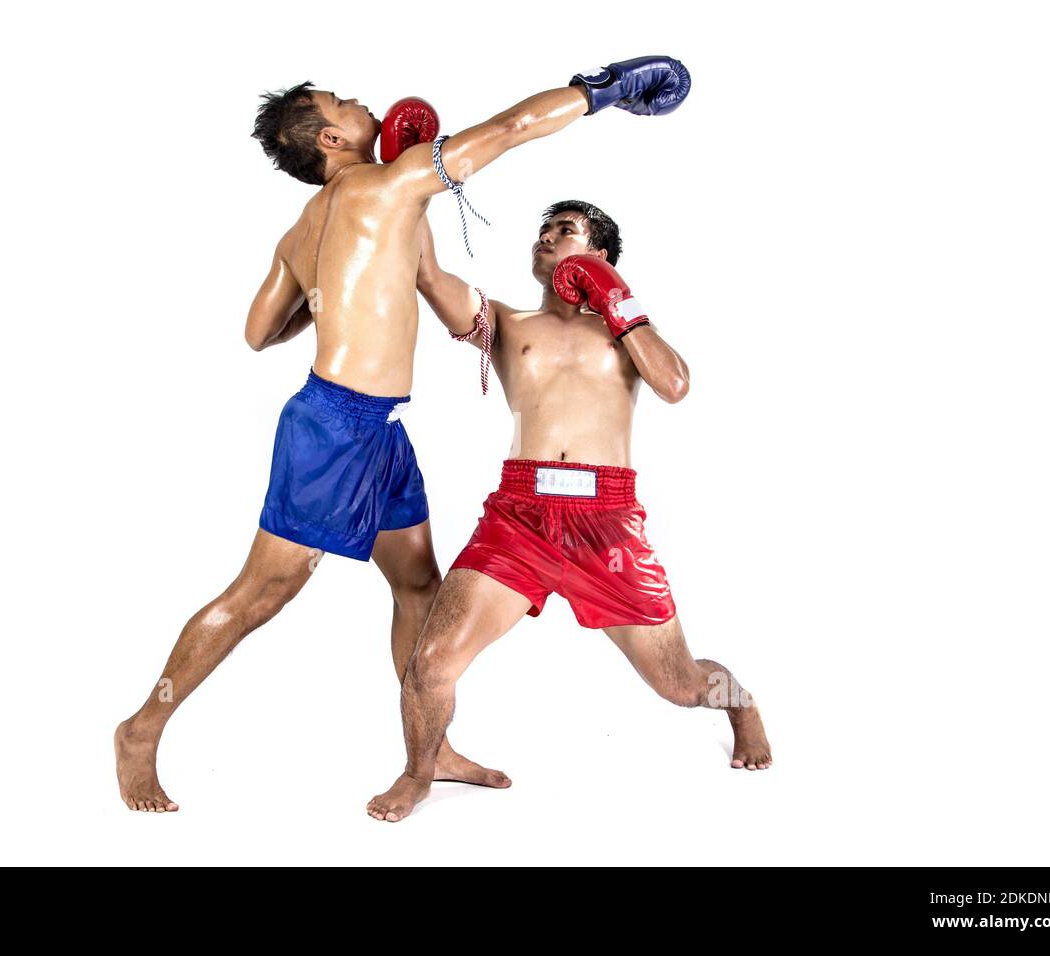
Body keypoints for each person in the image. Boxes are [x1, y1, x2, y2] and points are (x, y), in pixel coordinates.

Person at [115, 58, 691, 812]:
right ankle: (142, 728)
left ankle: (432, 749)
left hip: (379, 430)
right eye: (345, 102)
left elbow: (260, 331)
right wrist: (600, 91)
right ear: (330, 136)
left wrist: (337, 292)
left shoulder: (311, 226)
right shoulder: (389, 182)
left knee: (418, 582)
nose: (362, 102)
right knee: (262, 593)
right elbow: (512, 129)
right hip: (332, 430)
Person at [367, 199, 771, 823]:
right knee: (431, 661)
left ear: (601, 256)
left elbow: (675, 385)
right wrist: (416, 181)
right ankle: (421, 769)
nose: (547, 238)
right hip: (519, 515)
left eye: (566, 230)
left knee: (680, 683)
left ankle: (741, 704)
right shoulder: (506, 320)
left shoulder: (627, 330)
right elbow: (428, 275)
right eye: (542, 230)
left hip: (606, 520)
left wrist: (619, 300)